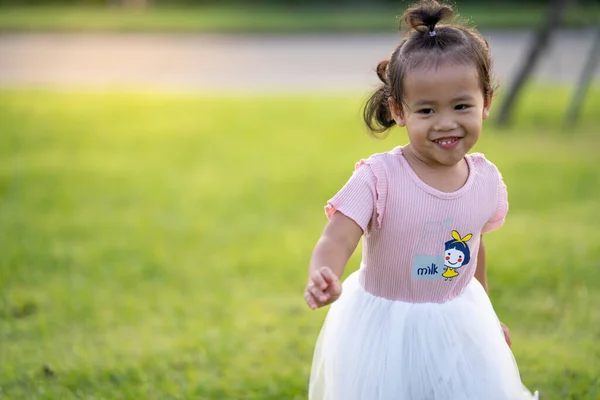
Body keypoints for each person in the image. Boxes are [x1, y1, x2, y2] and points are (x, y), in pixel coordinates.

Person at [304, 1, 539, 399]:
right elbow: (338, 237)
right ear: (399, 111)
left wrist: (486, 316)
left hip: (459, 320)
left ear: (486, 102)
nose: (446, 123)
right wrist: (323, 272)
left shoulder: (485, 180)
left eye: (462, 106)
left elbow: (472, 249)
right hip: (386, 328)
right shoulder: (379, 177)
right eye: (427, 110)